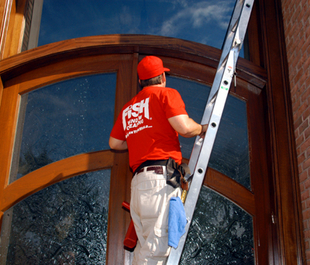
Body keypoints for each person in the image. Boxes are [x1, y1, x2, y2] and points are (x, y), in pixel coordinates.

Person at [109, 56, 208, 265]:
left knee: (147, 246)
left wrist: (138, 138)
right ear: (162, 76)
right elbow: (185, 127)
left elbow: (115, 143)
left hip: (139, 185)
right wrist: (202, 129)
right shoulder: (166, 95)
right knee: (156, 251)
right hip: (158, 182)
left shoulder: (129, 108)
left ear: (141, 82)